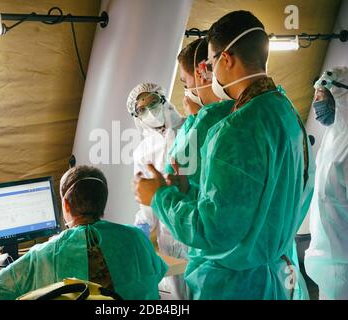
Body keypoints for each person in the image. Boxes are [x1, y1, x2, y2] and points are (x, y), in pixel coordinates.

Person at [134, 10, 314, 300]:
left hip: (236, 286)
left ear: (226, 59)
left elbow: (212, 230)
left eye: (212, 62)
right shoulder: (286, 112)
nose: (211, 73)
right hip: (277, 278)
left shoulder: (236, 130)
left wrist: (159, 196)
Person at [0, 165, 168, 300]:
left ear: (66, 205)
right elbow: (157, 272)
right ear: (103, 202)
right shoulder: (135, 238)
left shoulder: (42, 255)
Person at [305, 67, 348, 300]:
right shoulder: (333, 138)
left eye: (319, 97)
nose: (315, 105)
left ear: (339, 96)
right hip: (329, 271)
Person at [127, 82, 189, 299]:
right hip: (168, 235)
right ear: (137, 117)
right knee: (179, 296)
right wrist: (141, 228)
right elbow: (146, 200)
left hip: (196, 224)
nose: (149, 111)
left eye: (153, 103)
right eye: (142, 109)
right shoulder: (142, 152)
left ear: (164, 99)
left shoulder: (191, 130)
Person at [166, 38, 233, 189]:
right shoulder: (247, 107)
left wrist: (196, 119)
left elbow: (174, 172)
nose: (186, 91)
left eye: (185, 83)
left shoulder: (210, 120)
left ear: (201, 73)